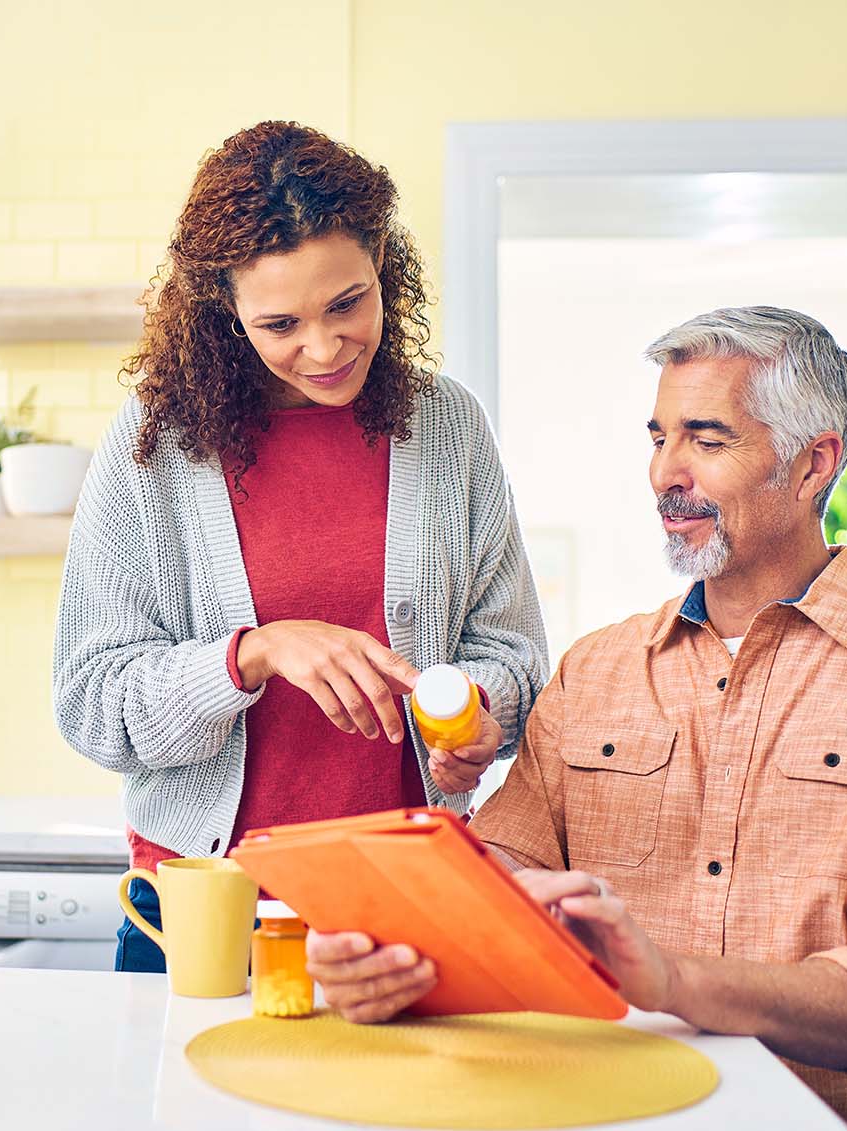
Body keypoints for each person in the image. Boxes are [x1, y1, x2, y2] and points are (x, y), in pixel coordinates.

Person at [306, 307, 847, 1131]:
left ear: (815, 462)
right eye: (658, 437)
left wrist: (677, 981)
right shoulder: (597, 670)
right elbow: (500, 869)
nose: (664, 474)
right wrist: (395, 945)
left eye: (706, 439)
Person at [52, 121, 549, 972]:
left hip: (405, 909)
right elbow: (92, 704)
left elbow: (514, 660)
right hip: (204, 913)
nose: (322, 349)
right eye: (280, 322)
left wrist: (472, 712)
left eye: (348, 304)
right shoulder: (156, 444)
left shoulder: (448, 428)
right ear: (225, 312)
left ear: (383, 265)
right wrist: (251, 655)